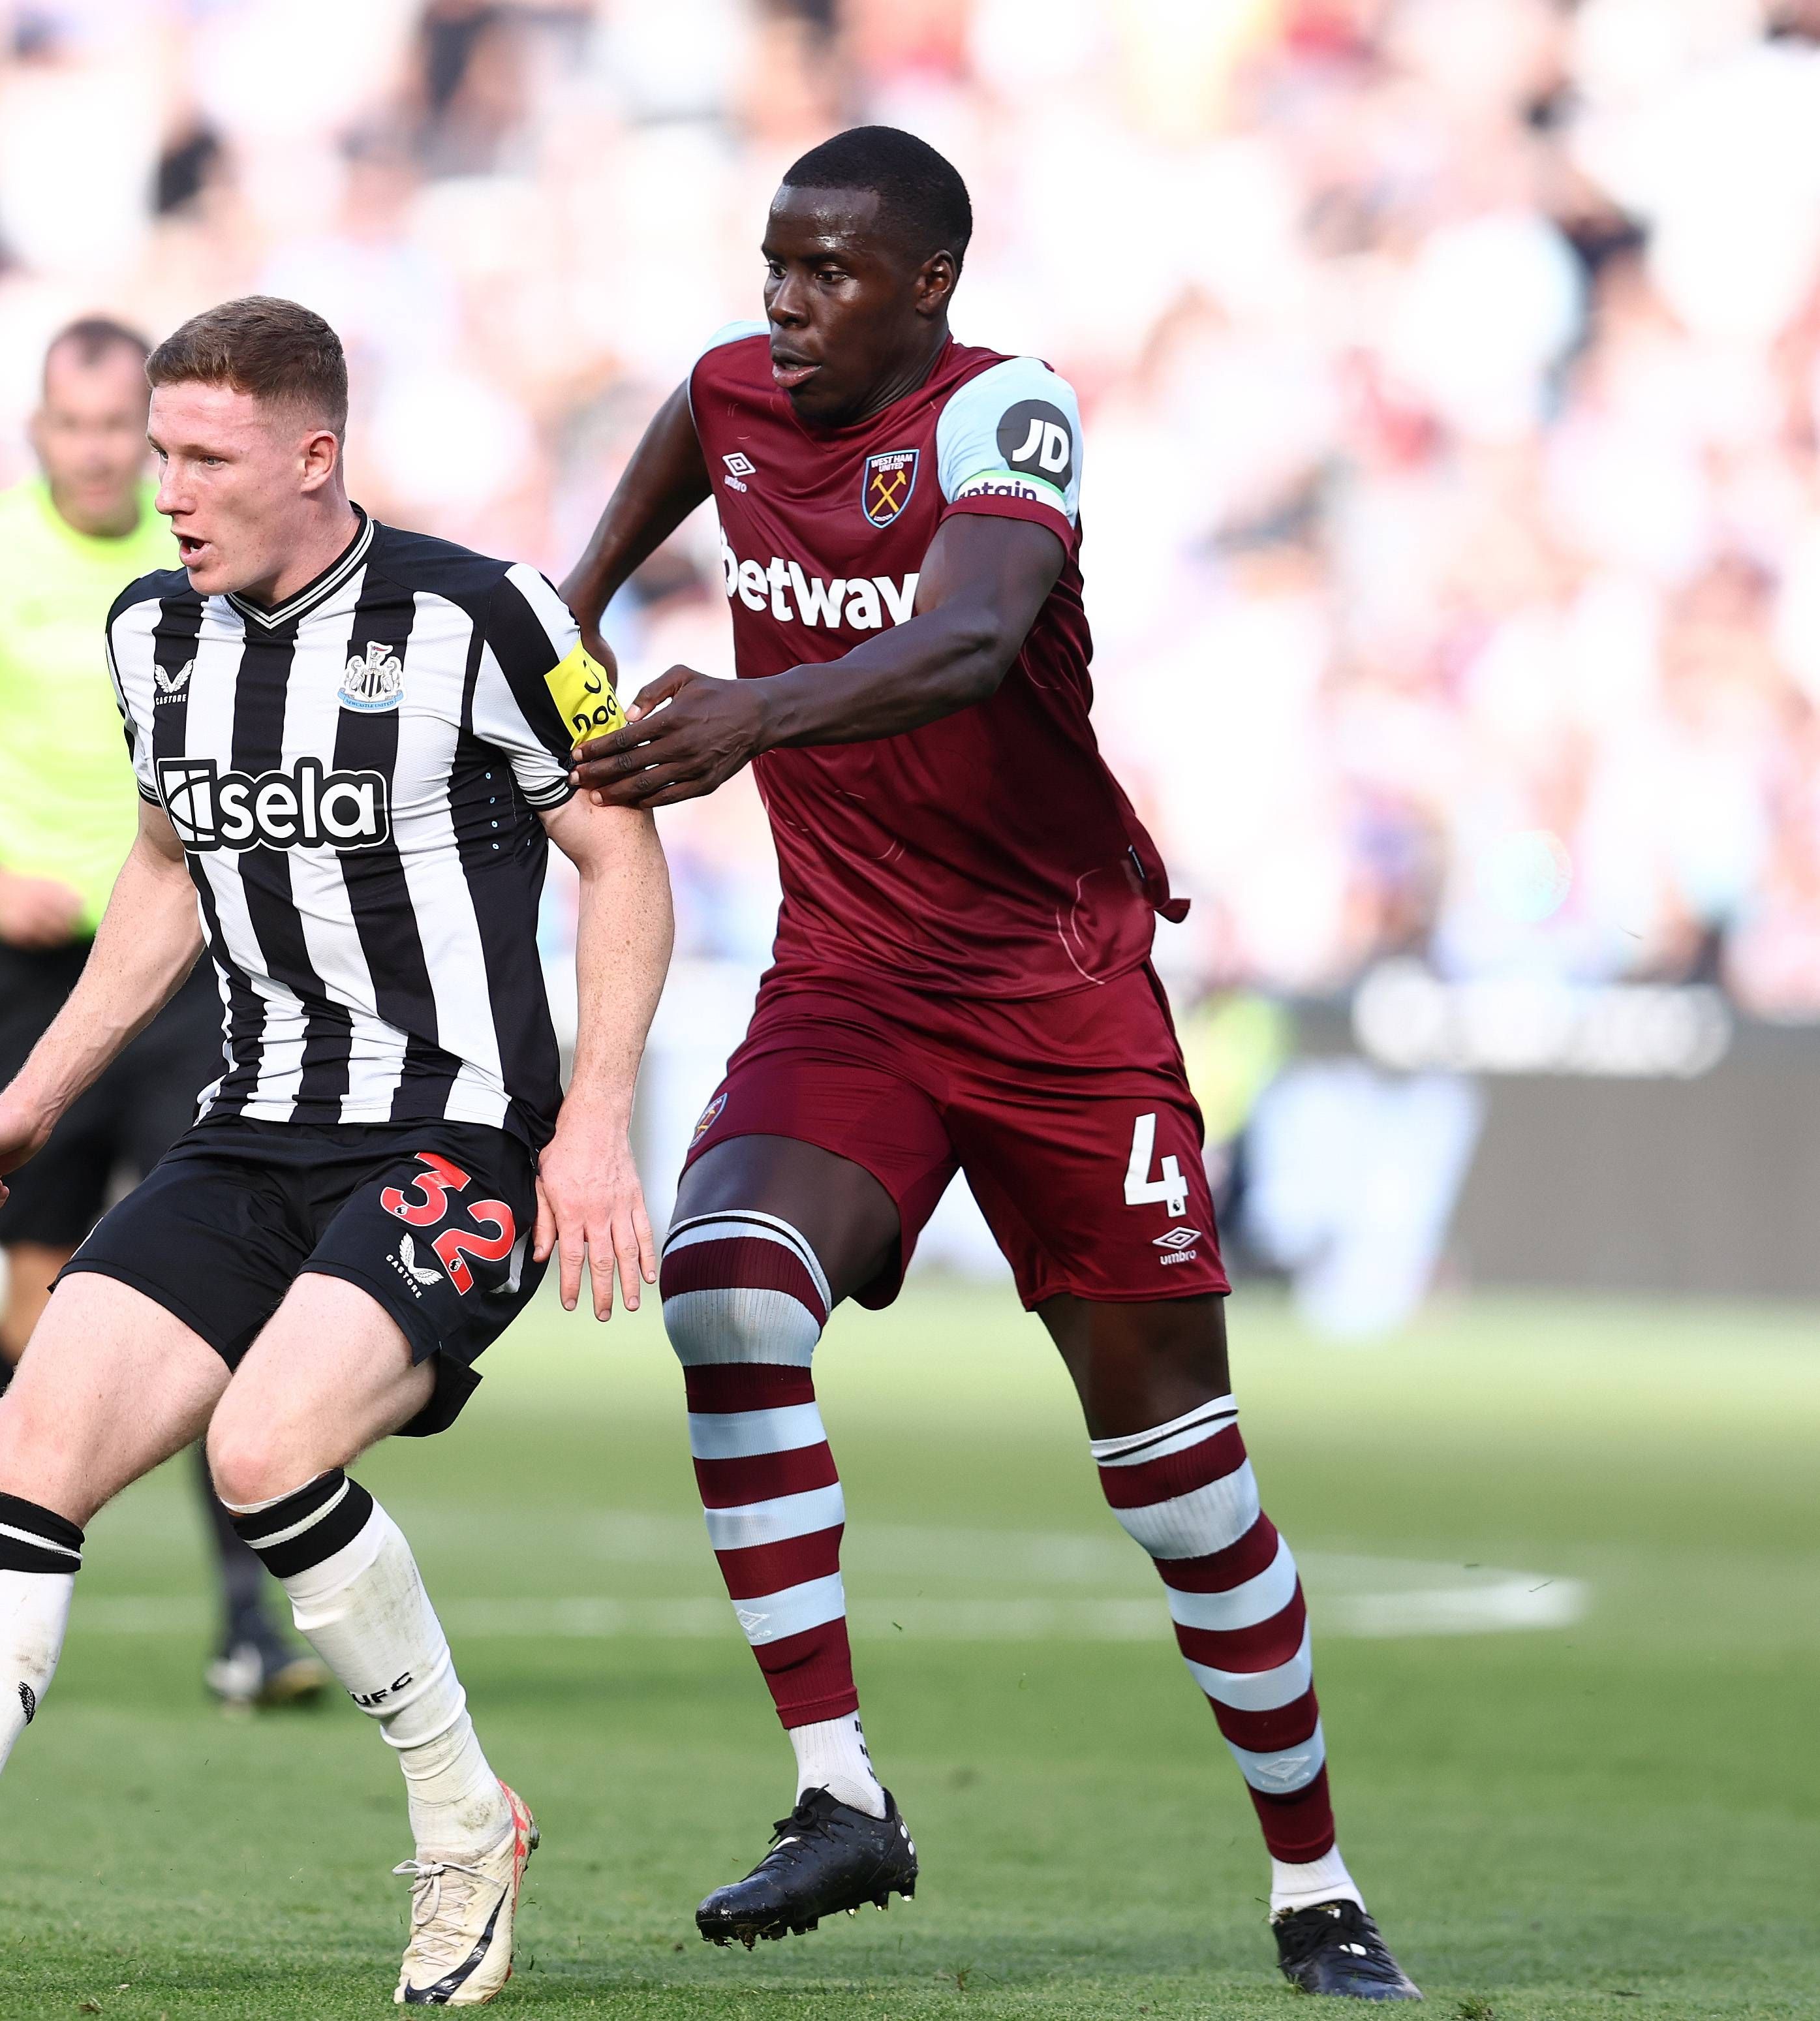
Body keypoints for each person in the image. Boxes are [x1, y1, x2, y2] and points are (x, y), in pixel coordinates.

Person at [0, 296, 674, 2006]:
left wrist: (592, 1125)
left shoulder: (482, 618)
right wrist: (37, 1099)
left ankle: (463, 1825)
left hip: (453, 1139)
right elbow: (165, 867)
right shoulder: (157, 633)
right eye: (158, 454)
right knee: (26, 1440)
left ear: (315, 455)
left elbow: (622, 852)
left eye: (203, 458)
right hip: (253, 1129)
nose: (168, 492)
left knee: (264, 1445)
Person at [556, 128, 1419, 2001]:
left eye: (828, 272)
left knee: (1178, 1478)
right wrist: (548, 645)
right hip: (849, 984)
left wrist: (747, 714)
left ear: (926, 283)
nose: (784, 302)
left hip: (1057, 1002)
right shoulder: (724, 392)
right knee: (721, 1287)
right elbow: (600, 559)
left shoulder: (1002, 411)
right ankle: (835, 1790)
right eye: (773, 263)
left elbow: (970, 637)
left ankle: (1314, 1886)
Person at [0, 316, 324, 1709]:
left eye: (134, 433)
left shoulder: (212, 556)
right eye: (84, 429)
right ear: (40, 432)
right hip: (26, 963)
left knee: (215, 1283)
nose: (111, 457)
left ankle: (249, 1627)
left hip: (190, 961)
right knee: (37, 1291)